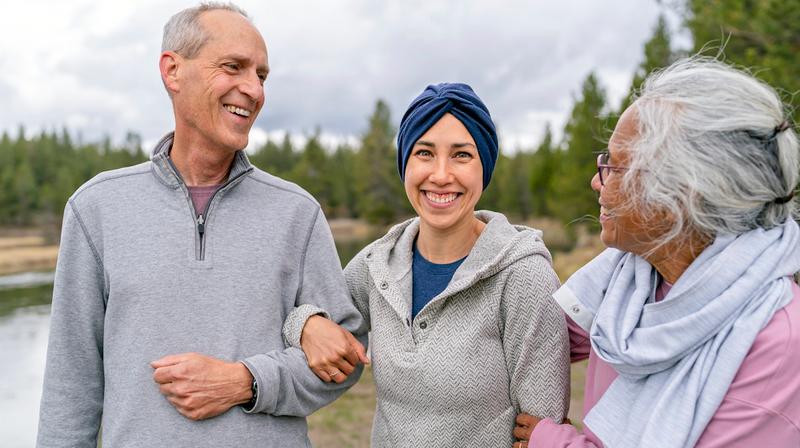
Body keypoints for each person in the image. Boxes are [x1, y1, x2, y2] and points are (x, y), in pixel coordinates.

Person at [36, 3, 365, 447]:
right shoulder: (96, 208)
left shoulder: (297, 213)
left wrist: (247, 381)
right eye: (233, 67)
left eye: (261, 75)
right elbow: (69, 388)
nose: (252, 89)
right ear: (172, 71)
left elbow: (345, 361)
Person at [514, 57, 800, 448]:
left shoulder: (777, 345)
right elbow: (539, 337)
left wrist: (553, 444)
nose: (595, 182)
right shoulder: (629, 276)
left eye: (614, 166)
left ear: (682, 196)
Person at [282, 83, 571, 446]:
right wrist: (306, 323)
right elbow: (301, 310)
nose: (440, 174)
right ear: (405, 163)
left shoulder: (525, 276)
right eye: (424, 153)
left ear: (485, 167)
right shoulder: (377, 264)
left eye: (462, 155)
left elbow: (542, 431)